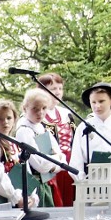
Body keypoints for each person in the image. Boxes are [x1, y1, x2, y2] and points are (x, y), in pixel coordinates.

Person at [0, 100, 38, 208]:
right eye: (0, 119)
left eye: (9, 118)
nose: (5, 122)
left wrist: (31, 196)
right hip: (0, 203)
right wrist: (16, 198)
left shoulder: (16, 143)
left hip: (21, 200)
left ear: (14, 120)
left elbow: (27, 173)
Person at [14, 88, 66, 207]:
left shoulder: (41, 127)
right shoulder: (24, 130)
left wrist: (54, 163)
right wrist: (55, 160)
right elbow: (40, 165)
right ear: (25, 108)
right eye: (35, 109)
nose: (40, 113)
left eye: (44, 108)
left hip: (47, 183)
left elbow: (62, 157)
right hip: (34, 187)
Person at [70, 82, 111, 178]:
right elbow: (76, 159)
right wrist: (82, 180)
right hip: (88, 179)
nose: (97, 106)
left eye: (101, 101)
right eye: (93, 102)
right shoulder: (83, 127)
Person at [39, 72, 75, 206]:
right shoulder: (38, 115)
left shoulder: (67, 113)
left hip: (70, 162)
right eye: (53, 89)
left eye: (60, 88)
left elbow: (74, 139)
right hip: (52, 164)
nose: (58, 92)